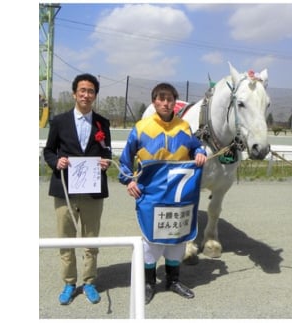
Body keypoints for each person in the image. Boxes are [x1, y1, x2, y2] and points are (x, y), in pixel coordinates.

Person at [118, 83, 207, 304]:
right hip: (151, 194)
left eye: (170, 99)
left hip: (178, 195)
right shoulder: (141, 127)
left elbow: (196, 147)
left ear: (175, 103)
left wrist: (200, 153)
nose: (166, 103)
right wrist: (128, 180)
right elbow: (125, 160)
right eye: (161, 98)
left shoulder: (184, 127)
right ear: (154, 101)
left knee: (177, 237)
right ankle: (149, 283)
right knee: (152, 240)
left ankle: (173, 280)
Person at [43, 73, 112, 305]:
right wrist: (56, 162)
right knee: (66, 239)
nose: (86, 94)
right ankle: (70, 282)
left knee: (91, 239)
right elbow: (49, 151)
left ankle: (90, 281)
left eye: (91, 91)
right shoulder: (59, 122)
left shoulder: (103, 123)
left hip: (92, 192)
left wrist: (105, 162)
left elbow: (107, 152)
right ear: (75, 93)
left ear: (95, 95)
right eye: (82, 90)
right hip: (65, 190)